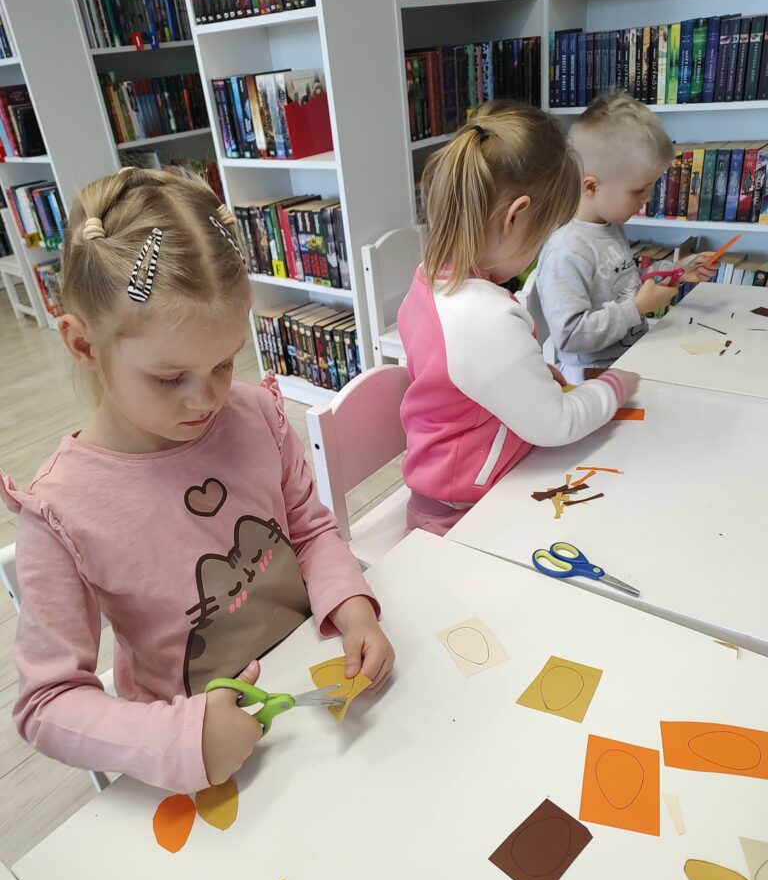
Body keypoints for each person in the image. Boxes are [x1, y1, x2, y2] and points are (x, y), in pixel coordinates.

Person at [0, 168, 394, 793]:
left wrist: (352, 608)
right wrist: (182, 739)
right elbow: (46, 703)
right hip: (206, 764)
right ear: (83, 345)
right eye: (169, 377)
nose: (206, 398)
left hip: (316, 701)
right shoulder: (62, 511)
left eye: (225, 362)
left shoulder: (256, 415)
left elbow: (309, 530)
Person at [397, 101, 639, 537]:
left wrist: (529, 374)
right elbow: (560, 423)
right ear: (516, 217)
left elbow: (464, 377)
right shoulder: (484, 317)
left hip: (453, 488)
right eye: (542, 237)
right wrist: (614, 386)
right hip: (464, 515)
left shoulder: (427, 281)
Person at [536, 93, 716, 383]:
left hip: (632, 362)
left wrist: (675, 271)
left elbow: (619, 284)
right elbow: (570, 336)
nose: (648, 199)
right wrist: (637, 308)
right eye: (638, 190)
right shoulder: (566, 250)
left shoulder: (609, 226)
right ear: (591, 187)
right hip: (595, 382)